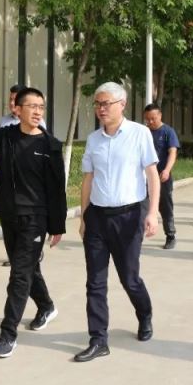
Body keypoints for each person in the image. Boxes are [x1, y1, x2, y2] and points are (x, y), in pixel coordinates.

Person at [0, 87, 67, 358]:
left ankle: (8, 334)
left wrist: (57, 225)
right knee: (28, 269)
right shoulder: (5, 136)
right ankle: (46, 306)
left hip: (36, 218)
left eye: (41, 107)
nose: (37, 112)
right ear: (17, 110)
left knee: (19, 275)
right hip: (9, 215)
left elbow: (57, 189)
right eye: (32, 106)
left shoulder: (51, 145)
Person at [75, 82, 160, 362]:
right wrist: (84, 216)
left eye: (106, 103)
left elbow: (152, 175)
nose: (101, 109)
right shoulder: (93, 139)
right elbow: (88, 179)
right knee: (95, 282)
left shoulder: (139, 133)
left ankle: (144, 314)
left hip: (128, 217)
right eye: (97, 104)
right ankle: (98, 339)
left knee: (129, 279)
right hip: (97, 218)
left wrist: (152, 213)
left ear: (122, 104)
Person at [0, 84, 46, 268]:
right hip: (7, 184)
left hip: (28, 187)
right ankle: (15, 257)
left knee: (27, 224)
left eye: (15, 99)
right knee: (10, 222)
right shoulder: (3, 122)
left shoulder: (38, 123)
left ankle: (31, 253)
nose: (12, 103)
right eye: (10, 99)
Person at [143, 104, 180, 250]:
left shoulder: (168, 132)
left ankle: (170, 235)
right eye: (147, 119)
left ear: (160, 115)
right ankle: (137, 236)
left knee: (165, 207)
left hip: (162, 176)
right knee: (141, 206)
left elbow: (173, 152)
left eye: (153, 118)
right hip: (144, 177)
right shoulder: (143, 132)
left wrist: (167, 170)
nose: (150, 122)